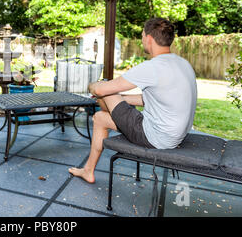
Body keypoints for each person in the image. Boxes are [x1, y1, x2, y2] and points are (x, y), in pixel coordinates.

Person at [69, 18, 197, 184]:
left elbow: (101, 90)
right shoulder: (182, 63)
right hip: (173, 135)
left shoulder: (153, 67)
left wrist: (93, 85)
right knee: (100, 118)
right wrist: (121, 100)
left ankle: (109, 108)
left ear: (149, 38)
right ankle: (88, 171)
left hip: (154, 137)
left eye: (142, 36)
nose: (142, 39)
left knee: (106, 91)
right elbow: (151, 99)